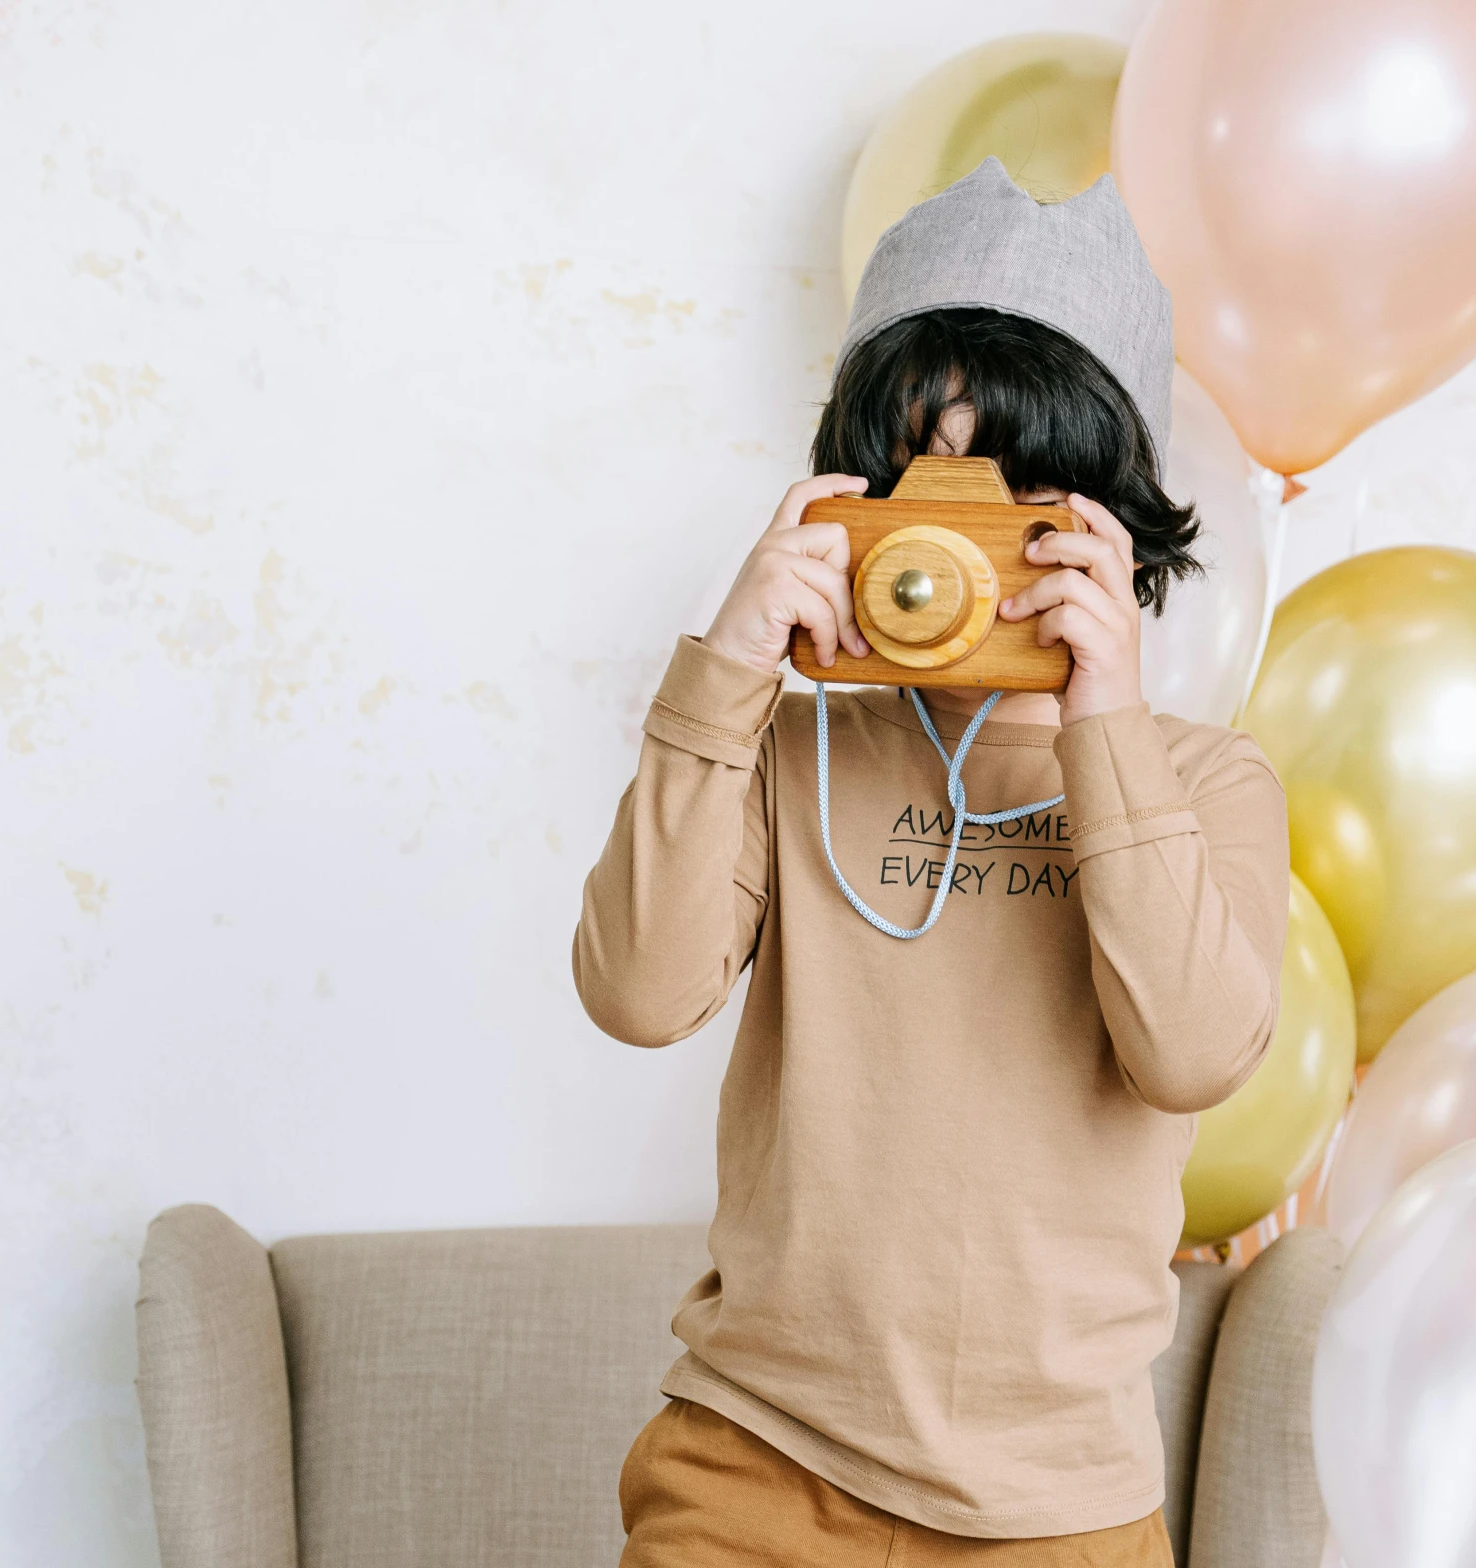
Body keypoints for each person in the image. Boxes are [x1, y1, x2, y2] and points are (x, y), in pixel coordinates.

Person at [574, 159, 1289, 1568]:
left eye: (1012, 488)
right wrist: (726, 674)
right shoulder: (789, 751)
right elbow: (638, 995)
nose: (951, 546)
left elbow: (1193, 1055)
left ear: (1106, 520)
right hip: (752, 1472)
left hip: (1059, 1514)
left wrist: (1103, 725)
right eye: (917, 478)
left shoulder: (1203, 782)